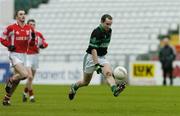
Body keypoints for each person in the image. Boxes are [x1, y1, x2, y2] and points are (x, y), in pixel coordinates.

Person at [68, 14, 126, 100]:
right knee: (85, 82)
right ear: (102, 22)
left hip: (102, 57)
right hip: (91, 58)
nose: (109, 26)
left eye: (110, 24)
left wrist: (100, 62)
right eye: (107, 24)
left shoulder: (109, 31)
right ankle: (74, 87)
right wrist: (97, 64)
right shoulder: (96, 32)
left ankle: (115, 90)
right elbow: (93, 50)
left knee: (108, 73)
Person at [0, 9, 35, 106]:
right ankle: (10, 80)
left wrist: (32, 38)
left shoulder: (29, 28)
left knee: (18, 80)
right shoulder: (11, 28)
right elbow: (2, 38)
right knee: (24, 75)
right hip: (14, 54)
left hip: (23, 55)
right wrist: (8, 45)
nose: (23, 16)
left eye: (24, 14)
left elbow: (31, 44)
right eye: (20, 14)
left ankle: (6, 99)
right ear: (17, 17)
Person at [22, 19, 48, 102]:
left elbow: (44, 43)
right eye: (30, 24)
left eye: (33, 24)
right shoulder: (25, 34)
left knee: (31, 79)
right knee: (29, 76)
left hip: (36, 57)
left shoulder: (38, 34)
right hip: (27, 56)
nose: (32, 26)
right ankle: (31, 96)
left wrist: (43, 45)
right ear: (27, 25)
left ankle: (24, 92)